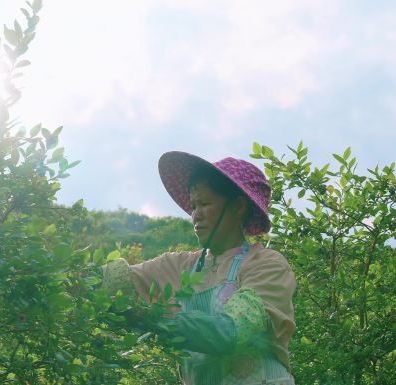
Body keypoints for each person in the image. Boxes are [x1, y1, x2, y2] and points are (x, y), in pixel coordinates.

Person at [102, 151, 296, 385]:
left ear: (238, 207)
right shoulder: (179, 266)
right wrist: (71, 278)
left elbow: (230, 332)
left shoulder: (266, 265)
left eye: (205, 203)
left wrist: (149, 316)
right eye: (193, 206)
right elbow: (113, 281)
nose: (196, 215)